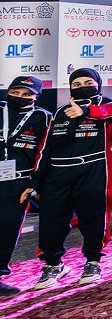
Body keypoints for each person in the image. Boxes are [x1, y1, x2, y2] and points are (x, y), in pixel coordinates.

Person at [27, 68, 112, 288]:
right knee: (52, 220)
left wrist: (85, 111)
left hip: (94, 168)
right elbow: (45, 149)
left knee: (93, 217)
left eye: (88, 83)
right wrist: (35, 180)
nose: (82, 87)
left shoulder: (109, 105)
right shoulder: (60, 112)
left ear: (98, 84)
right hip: (58, 172)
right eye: (76, 84)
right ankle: (53, 264)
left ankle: (93, 261)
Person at [2, 77, 50, 295]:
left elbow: (45, 153)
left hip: (18, 183)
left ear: (36, 96)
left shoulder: (43, 117)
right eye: (15, 92)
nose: (20, 97)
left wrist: (34, 183)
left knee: (7, 229)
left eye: (27, 94)